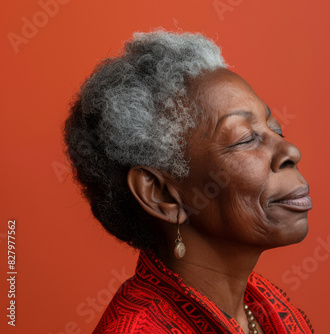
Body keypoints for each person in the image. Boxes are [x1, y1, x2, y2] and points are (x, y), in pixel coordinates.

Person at [64, 29, 314, 334]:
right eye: (245, 139)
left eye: (276, 129)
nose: (290, 151)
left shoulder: (267, 308)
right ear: (161, 194)